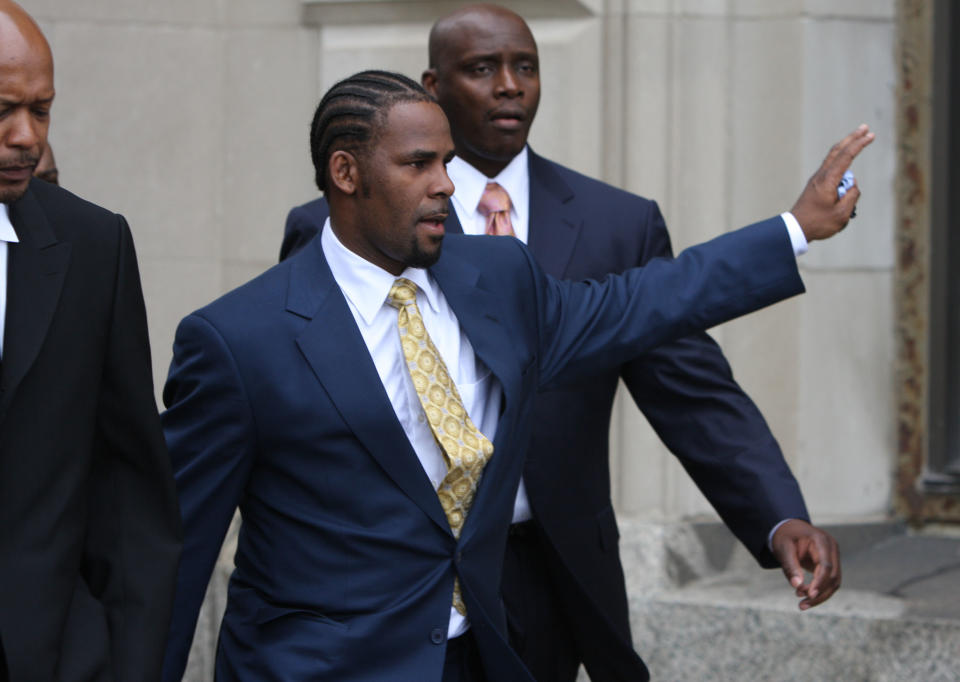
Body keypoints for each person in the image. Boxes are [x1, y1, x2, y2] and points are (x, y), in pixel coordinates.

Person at [163, 67, 869, 681]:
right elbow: (173, 554)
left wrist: (794, 229)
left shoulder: (498, 278)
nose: (446, 185)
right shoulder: (235, 340)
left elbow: (646, 300)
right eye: (418, 165)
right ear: (347, 174)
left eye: (446, 161)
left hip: (483, 656)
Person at [0, 2, 182, 681]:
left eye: (41, 110)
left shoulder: (93, 246)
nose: (27, 138)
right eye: (2, 111)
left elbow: (131, 495)